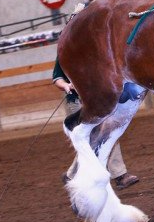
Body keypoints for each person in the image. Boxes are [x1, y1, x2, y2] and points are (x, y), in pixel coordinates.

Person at [53, 59, 140, 190]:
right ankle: (74, 174)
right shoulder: (63, 52)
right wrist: (66, 86)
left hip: (95, 99)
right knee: (88, 139)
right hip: (76, 101)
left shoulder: (92, 50)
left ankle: (119, 174)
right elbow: (57, 78)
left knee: (108, 132)